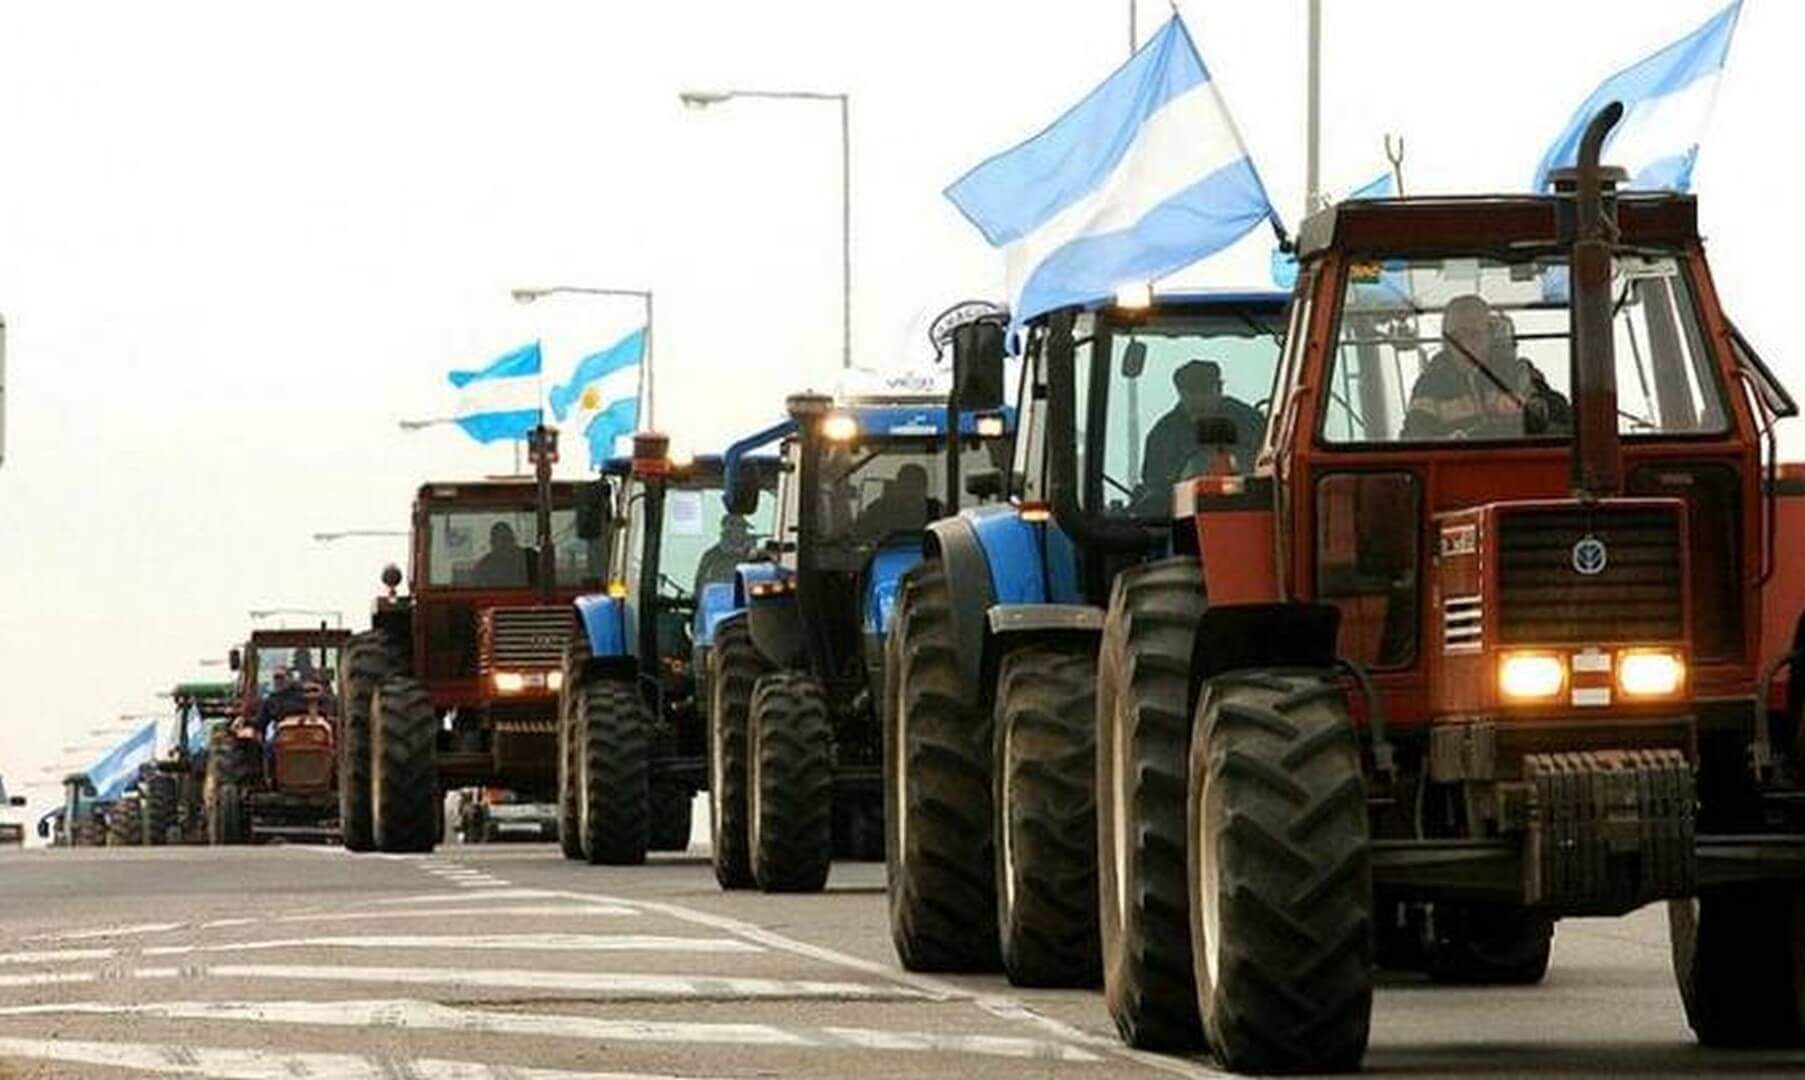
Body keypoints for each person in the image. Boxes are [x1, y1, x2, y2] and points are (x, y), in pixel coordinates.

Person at [1402, 295, 1562, 440]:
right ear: (1445, 342)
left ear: (1490, 336)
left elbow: (1565, 421)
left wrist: (1533, 407)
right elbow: (1412, 437)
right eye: (1456, 337)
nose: (1464, 345)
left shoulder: (1520, 372)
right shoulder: (1430, 386)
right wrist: (1447, 442)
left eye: (1474, 335)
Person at [1140, 359, 1264, 497]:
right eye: (1191, 395)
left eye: (1204, 393)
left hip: (1248, 503)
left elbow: (1265, 466)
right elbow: (1154, 485)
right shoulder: (1163, 435)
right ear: (1180, 394)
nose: (1198, 402)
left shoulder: (1250, 421)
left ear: (1219, 389)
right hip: (1182, 512)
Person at [855, 463, 933, 537]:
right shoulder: (880, 510)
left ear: (925, 488)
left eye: (916, 485)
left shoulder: (936, 511)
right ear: (897, 486)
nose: (910, 491)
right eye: (906, 485)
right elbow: (858, 534)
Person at [693, 514, 756, 597]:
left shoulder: (753, 557)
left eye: (743, 529)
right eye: (739, 529)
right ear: (727, 531)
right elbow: (699, 588)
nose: (743, 533)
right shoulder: (712, 557)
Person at [472, 521, 529, 587]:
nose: (503, 543)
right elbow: (481, 591)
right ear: (492, 542)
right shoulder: (483, 566)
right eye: (498, 539)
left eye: (506, 539)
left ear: (513, 540)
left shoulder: (526, 559)